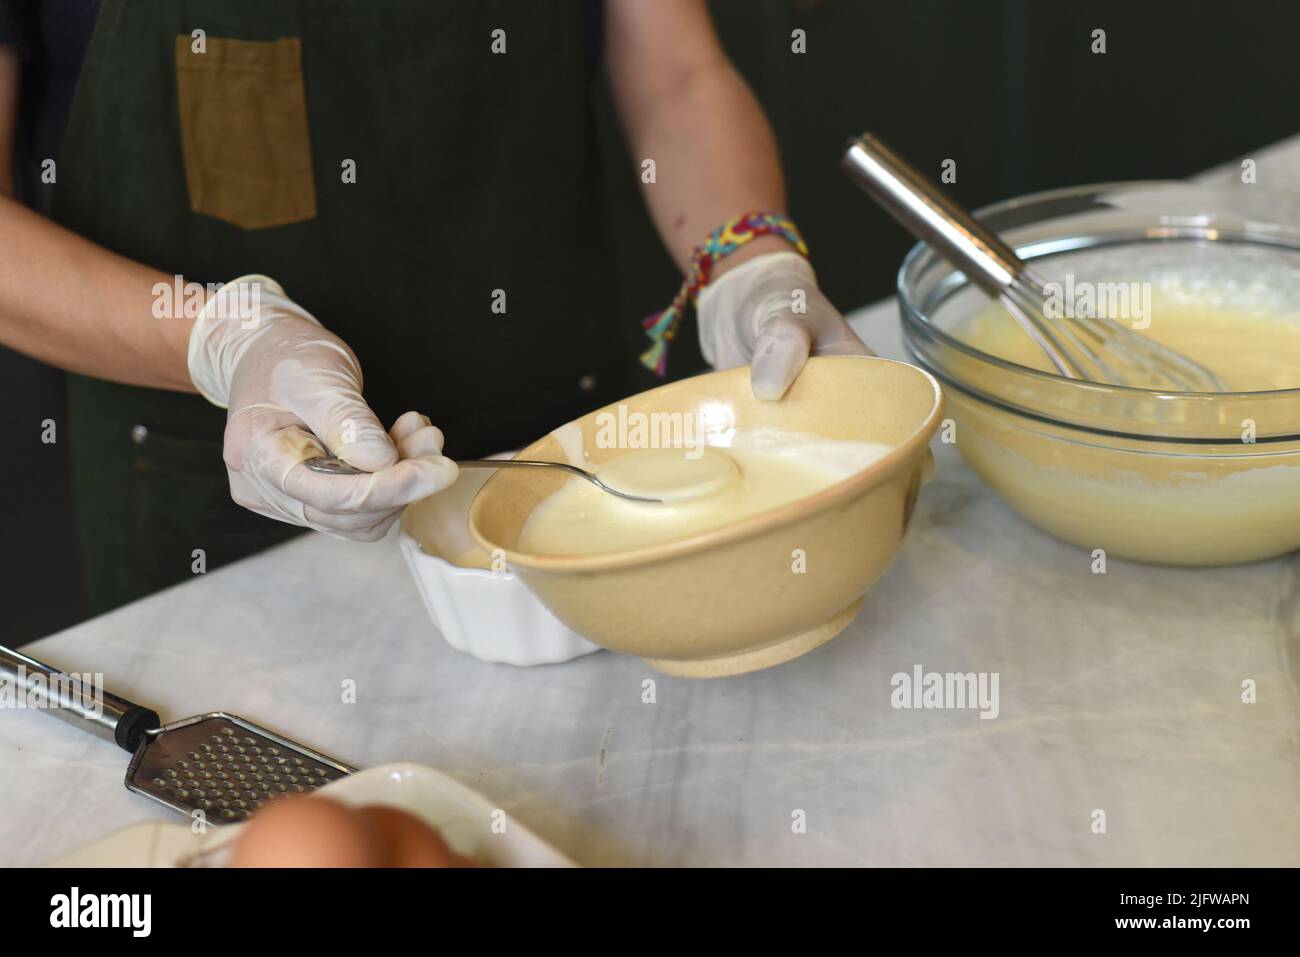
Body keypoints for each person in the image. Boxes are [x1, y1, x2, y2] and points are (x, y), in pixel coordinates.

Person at [0, 0, 869, 615]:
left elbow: (677, 70)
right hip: (216, 507)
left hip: (561, 456)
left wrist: (749, 261)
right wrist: (229, 343)